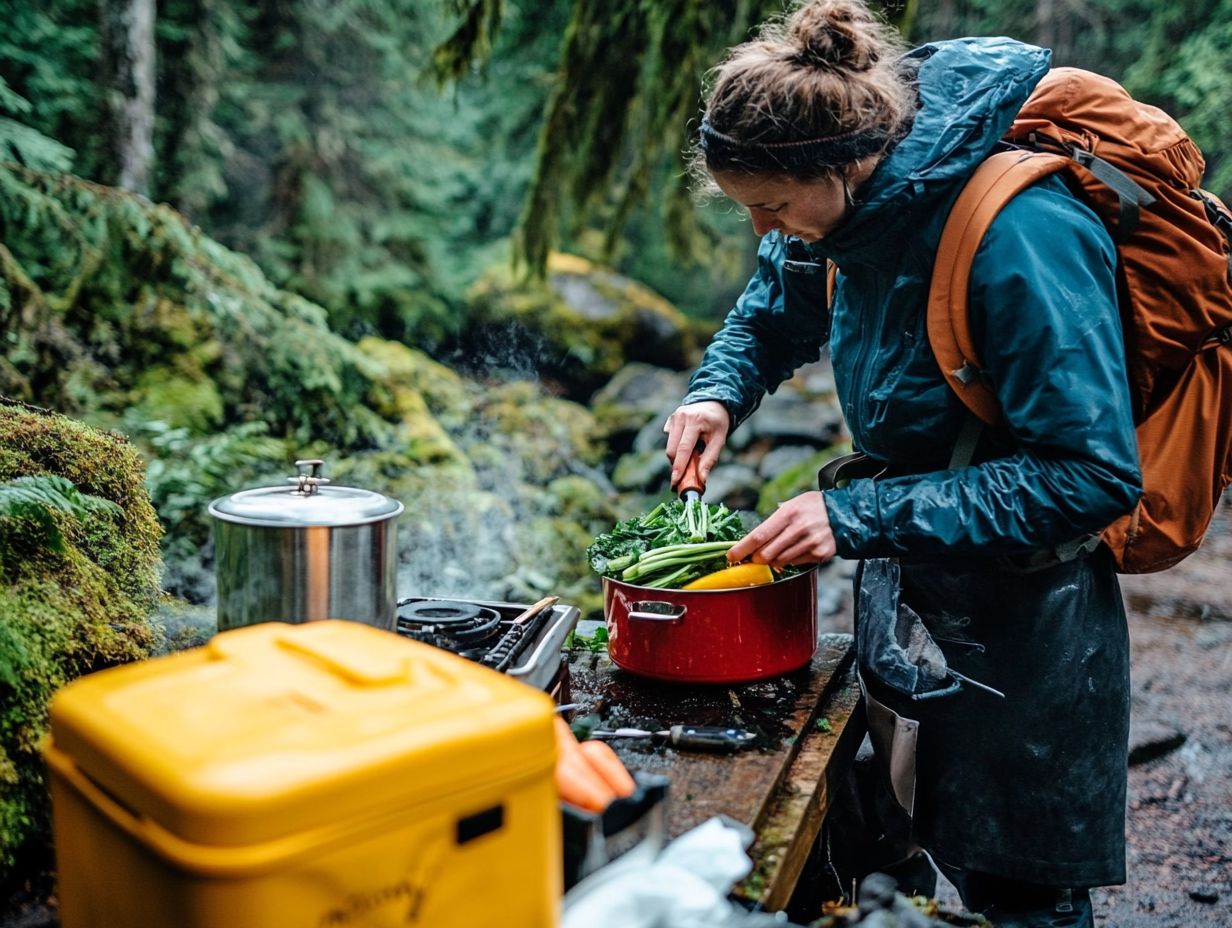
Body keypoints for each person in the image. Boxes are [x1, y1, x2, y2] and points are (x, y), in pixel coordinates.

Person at [662, 2, 1143, 926]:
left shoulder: (1021, 236)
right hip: (911, 584)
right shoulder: (838, 220)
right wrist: (715, 392)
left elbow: (1090, 478)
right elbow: (774, 306)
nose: (766, 229)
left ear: (840, 163)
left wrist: (853, 519)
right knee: (893, 839)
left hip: (1030, 622)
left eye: (771, 205)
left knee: (1022, 891)